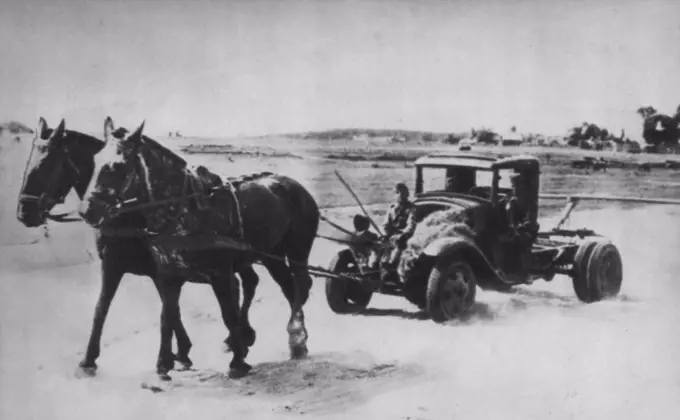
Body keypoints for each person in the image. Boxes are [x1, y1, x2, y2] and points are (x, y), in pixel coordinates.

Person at [380, 182, 417, 270]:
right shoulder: (392, 208)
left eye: (403, 193)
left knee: (398, 246)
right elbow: (385, 224)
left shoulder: (412, 208)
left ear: (407, 194)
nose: (400, 196)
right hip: (391, 236)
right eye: (398, 193)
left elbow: (411, 225)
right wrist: (385, 234)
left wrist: (402, 234)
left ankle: (391, 266)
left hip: (403, 237)